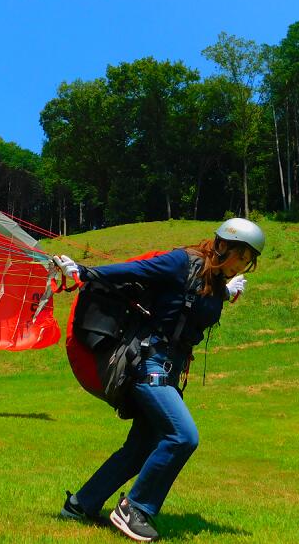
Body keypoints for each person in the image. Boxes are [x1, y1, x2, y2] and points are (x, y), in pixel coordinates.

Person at [56, 218, 265, 542]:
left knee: (139, 448)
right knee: (183, 437)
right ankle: (135, 508)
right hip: (147, 364)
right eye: (240, 256)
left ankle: (81, 505)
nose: (241, 265)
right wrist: (83, 272)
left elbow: (192, 303)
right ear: (222, 246)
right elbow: (136, 271)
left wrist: (226, 292)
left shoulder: (214, 281)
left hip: (168, 369)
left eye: (247, 261)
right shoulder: (182, 262)